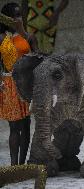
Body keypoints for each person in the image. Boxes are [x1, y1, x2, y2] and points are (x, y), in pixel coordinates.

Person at [0, 2, 37, 165]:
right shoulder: (1, 38)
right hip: (9, 84)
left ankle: (23, 163)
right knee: (15, 127)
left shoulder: (28, 36)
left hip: (27, 84)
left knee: (27, 125)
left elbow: (37, 58)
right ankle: (15, 165)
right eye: (15, 15)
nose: (18, 18)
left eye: (20, 15)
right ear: (6, 18)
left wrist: (23, 32)